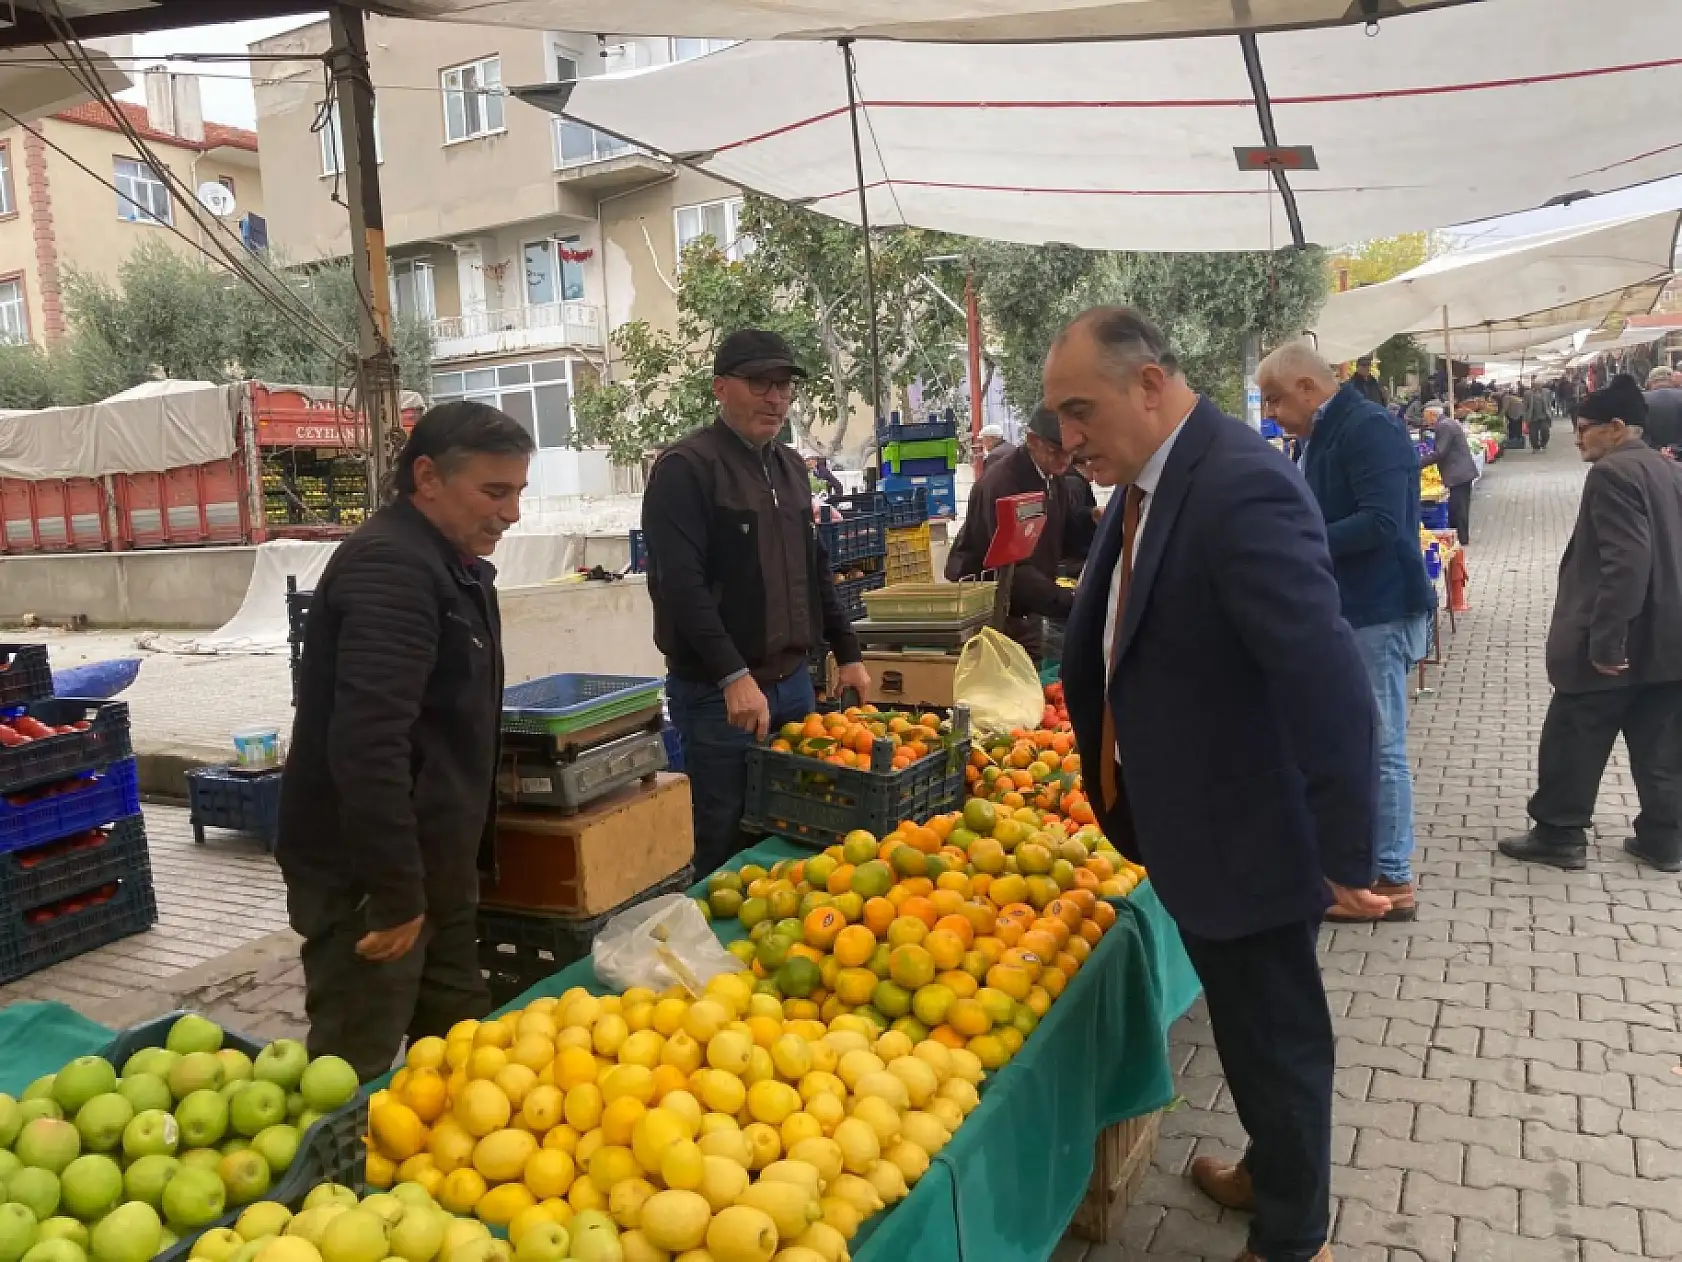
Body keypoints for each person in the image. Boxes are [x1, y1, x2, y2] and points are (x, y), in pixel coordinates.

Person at [1046, 307, 1381, 1262]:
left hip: (1251, 831)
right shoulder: (1152, 476)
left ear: (1149, 383)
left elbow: (1326, 678)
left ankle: (1294, 1236)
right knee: (1246, 1027)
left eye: (1081, 410)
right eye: (1059, 415)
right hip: (1195, 823)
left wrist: (1345, 850)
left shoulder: (1240, 485)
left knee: (1278, 1039)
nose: (1068, 440)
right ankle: (1273, 1173)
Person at [277, 401, 534, 1081]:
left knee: (460, 1051)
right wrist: (395, 897)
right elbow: (368, 746)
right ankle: (323, 1180)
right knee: (353, 1061)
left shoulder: (444, 563)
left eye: (518, 493)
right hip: (371, 879)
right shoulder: (392, 570)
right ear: (427, 477)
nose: (511, 514)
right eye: (494, 491)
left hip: (431, 871)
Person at [642, 329, 871, 877]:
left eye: (784, 386)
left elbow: (814, 566)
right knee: (725, 832)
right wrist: (731, 675)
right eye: (760, 384)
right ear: (721, 388)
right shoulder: (686, 468)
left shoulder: (790, 466)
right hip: (720, 696)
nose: (775, 398)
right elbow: (680, 584)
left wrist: (849, 649)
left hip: (793, 682)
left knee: (800, 825)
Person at [1259, 342, 1435, 923]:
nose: (1272, 413)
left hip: (1380, 607)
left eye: (1276, 399)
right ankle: (1362, 869)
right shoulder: (1323, 435)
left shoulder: (1368, 430)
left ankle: (1392, 879)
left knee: (1380, 743)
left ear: (1309, 388)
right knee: (1362, 739)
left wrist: (1299, 543)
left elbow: (1383, 521)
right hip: (1355, 606)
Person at [1500, 375, 1682, 873]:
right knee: (1661, 743)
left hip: (1621, 638)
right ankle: (1665, 839)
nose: (1577, 438)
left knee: (1573, 734)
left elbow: (1625, 562)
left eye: (1584, 429)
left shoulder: (1613, 473)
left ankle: (1559, 832)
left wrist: (1605, 640)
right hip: (1667, 638)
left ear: (1617, 427)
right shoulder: (1667, 469)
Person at [945, 406, 1077, 660]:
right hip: (995, 610)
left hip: (1028, 605)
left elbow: (1063, 528)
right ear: (1032, 441)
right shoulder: (1002, 483)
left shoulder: (1051, 475)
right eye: (1056, 451)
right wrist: (1065, 599)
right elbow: (1010, 565)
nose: (1065, 460)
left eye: (1070, 452)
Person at [1419, 404, 1477, 546]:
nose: (1425, 420)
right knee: (1457, 506)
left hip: (1458, 472)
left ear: (1433, 414)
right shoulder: (1448, 422)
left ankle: (1461, 538)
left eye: (1426, 416)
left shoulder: (1444, 426)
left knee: (1459, 507)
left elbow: (1440, 452)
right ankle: (1458, 536)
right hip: (1461, 471)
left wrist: (1418, 463)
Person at [1642, 365, 1682, 457]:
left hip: (1652, 460)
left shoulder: (1640, 400)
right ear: (1673, 381)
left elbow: (1638, 434)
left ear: (1650, 382)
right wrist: (1674, 450)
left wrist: (1659, 450)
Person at [1524, 381, 1553, 451]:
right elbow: (1525, 405)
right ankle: (1535, 446)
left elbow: (1550, 401)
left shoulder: (1547, 392)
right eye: (1535, 385)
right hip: (1532, 417)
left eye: (1539, 385)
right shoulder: (1527, 394)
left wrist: (1550, 411)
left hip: (1544, 416)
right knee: (1533, 434)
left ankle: (1543, 443)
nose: (1537, 386)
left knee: (1545, 431)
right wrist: (1525, 415)